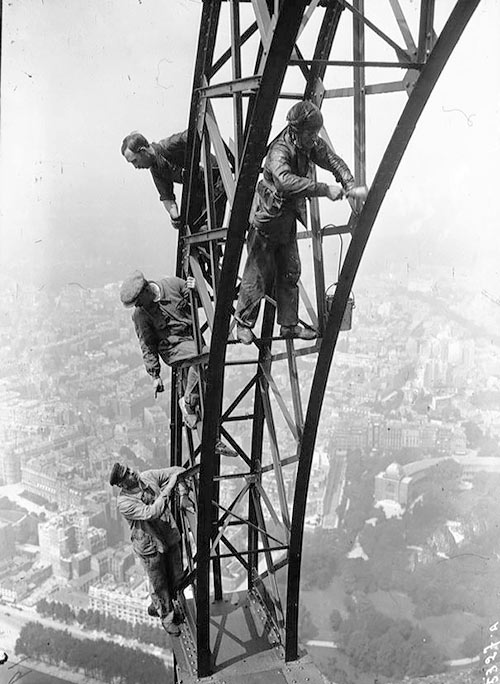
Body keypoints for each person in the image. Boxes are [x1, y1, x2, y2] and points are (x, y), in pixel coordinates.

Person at [235, 100, 360, 344]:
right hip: (267, 221)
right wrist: (324, 189)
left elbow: (331, 159)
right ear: (296, 131)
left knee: (291, 270)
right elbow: (285, 182)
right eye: (311, 133)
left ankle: (289, 325)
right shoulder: (279, 151)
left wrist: (349, 183)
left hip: (286, 219)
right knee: (257, 275)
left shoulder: (307, 143)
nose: (315, 138)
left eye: (316, 133)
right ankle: (243, 324)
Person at [120, 269, 235, 456]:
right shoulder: (141, 315)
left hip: (193, 341)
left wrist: (196, 289)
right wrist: (154, 376)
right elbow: (147, 345)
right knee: (207, 358)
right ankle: (188, 402)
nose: (138, 305)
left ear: (146, 290)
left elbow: (197, 301)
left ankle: (209, 437)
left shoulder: (173, 284)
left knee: (206, 384)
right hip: (173, 349)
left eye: (138, 301)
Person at [109, 461, 187, 635]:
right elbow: (151, 512)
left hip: (168, 535)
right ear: (121, 484)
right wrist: (168, 489)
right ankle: (166, 618)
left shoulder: (147, 477)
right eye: (127, 474)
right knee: (159, 584)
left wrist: (184, 493)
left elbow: (179, 471)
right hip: (150, 546)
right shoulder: (124, 502)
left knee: (176, 576)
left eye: (129, 469)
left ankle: (158, 605)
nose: (132, 472)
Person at [121, 130, 223, 232]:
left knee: (207, 230)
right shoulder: (156, 170)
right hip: (200, 190)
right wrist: (175, 217)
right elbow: (167, 197)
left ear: (143, 151)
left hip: (217, 178)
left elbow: (196, 131)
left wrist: (202, 159)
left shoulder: (168, 145)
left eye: (135, 161)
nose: (136, 167)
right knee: (195, 232)